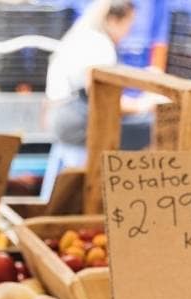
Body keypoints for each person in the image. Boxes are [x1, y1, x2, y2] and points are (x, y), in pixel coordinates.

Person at [41, 0, 152, 198]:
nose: (129, 32)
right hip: (74, 121)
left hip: (58, 118)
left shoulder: (82, 35)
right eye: (129, 24)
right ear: (114, 19)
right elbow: (102, 100)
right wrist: (141, 106)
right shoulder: (100, 45)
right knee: (149, 127)